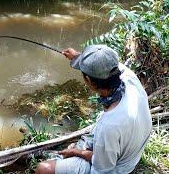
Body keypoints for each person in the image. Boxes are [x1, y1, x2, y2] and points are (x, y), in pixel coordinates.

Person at [35, 45, 152, 174]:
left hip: (118, 168)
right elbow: (108, 64)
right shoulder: (129, 79)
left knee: (43, 169)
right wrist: (78, 57)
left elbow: (103, 168)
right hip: (132, 148)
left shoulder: (110, 125)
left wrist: (77, 152)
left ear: (89, 81)